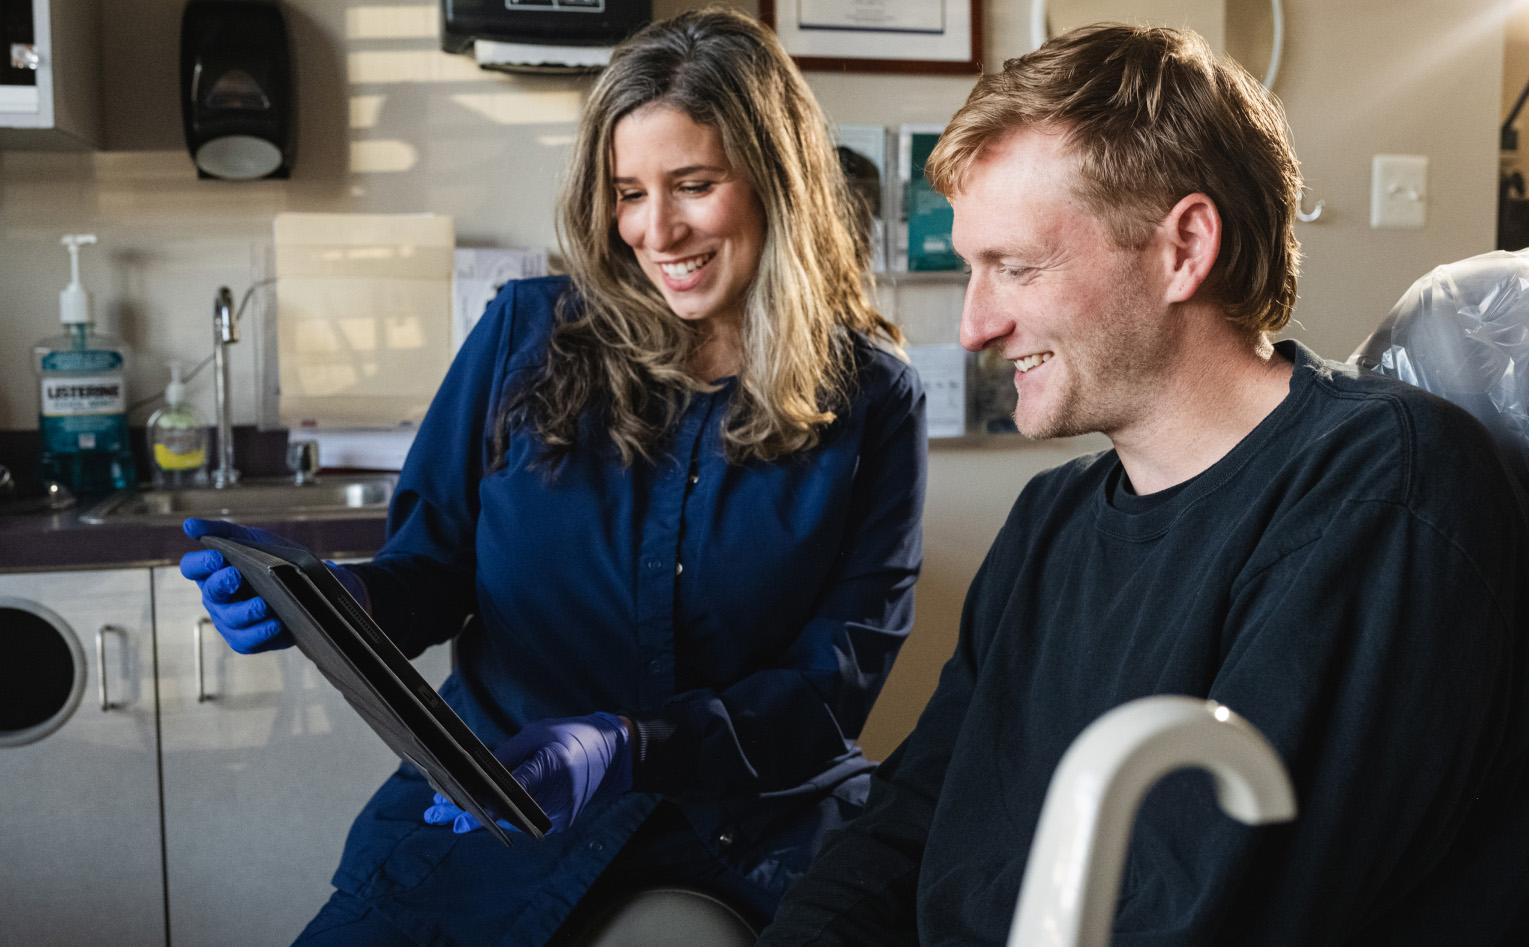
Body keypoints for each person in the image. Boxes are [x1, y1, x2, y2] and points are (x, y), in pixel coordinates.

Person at [759, 24, 1529, 946]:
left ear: (1182, 248)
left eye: (1015, 265)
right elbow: (906, 820)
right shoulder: (1053, 518)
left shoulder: (1382, 488)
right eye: (972, 268)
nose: (974, 324)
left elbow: (1209, 914)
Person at [179, 8, 926, 944]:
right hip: (496, 799)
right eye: (628, 192)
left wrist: (627, 746)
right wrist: (328, 604)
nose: (657, 230)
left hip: (745, 827)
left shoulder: (872, 398)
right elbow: (429, 572)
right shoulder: (522, 337)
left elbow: (833, 685)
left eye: (693, 184)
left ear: (777, 185)